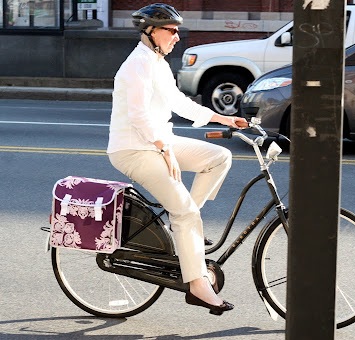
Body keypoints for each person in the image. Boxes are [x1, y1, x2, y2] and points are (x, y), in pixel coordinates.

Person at [107, 3, 246, 315]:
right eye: (171, 30)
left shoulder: (156, 62)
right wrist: (164, 148)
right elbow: (139, 116)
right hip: (134, 149)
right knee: (185, 214)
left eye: (176, 29)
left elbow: (179, 102)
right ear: (150, 32)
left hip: (158, 142)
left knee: (218, 158)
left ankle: (184, 223)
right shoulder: (136, 65)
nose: (177, 35)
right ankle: (197, 286)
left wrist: (223, 119)